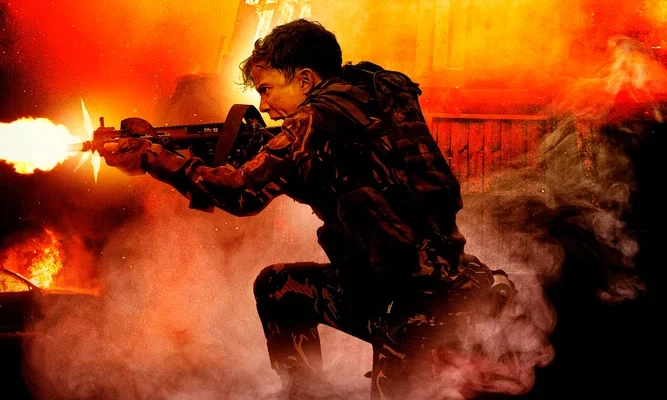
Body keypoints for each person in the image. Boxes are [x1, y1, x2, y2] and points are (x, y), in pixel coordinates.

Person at [105, 19, 515, 400]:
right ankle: (305, 394)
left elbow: (242, 194)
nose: (264, 104)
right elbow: (298, 155)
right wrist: (174, 145)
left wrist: (152, 159)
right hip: (444, 281)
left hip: (411, 310)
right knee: (279, 287)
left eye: (267, 89)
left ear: (305, 79)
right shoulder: (370, 91)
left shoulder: (315, 121)